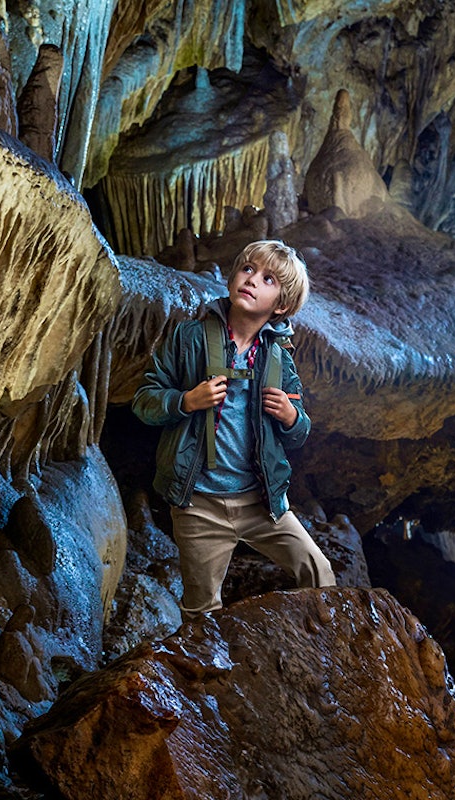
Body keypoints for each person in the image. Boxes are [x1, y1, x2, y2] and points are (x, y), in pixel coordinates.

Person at [133, 239, 335, 618]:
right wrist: (185, 401)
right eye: (247, 269)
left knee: (320, 573)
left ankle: (327, 656)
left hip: (261, 503)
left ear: (282, 305)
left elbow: (300, 431)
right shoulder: (188, 339)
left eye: (268, 278)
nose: (252, 280)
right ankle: (206, 674)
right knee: (201, 612)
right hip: (199, 504)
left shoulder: (277, 358)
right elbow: (144, 400)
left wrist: (291, 418)